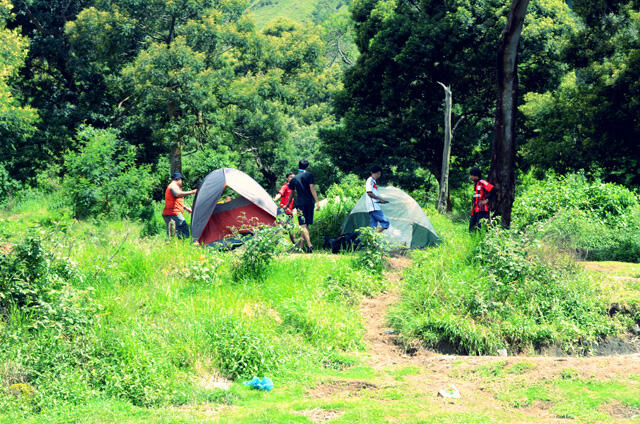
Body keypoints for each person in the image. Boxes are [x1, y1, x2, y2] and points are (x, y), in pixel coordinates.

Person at [288, 160, 320, 252]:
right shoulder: (309, 175)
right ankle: (304, 246)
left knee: (303, 225)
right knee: (306, 225)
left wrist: (287, 204)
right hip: (310, 202)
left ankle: (306, 245)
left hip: (300, 204)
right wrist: (317, 201)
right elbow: (312, 188)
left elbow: (292, 194)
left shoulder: (294, 178)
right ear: (307, 167)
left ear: (299, 166)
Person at [162, 172, 197, 239]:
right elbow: (177, 194)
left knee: (171, 233)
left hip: (169, 213)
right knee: (184, 231)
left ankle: (170, 247)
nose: (182, 182)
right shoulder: (173, 186)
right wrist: (193, 192)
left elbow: (174, 201)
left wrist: (185, 208)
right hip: (174, 214)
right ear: (178, 179)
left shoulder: (172, 186)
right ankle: (183, 246)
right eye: (181, 180)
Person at [469, 166, 495, 232]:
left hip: (482, 210)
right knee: (471, 229)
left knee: (479, 229)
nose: (470, 177)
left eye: (471, 175)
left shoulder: (482, 182)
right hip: (475, 210)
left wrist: (486, 201)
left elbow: (494, 190)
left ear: (476, 175)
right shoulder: (475, 184)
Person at [366, 165, 390, 232]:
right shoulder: (370, 180)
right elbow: (369, 193)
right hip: (373, 206)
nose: (379, 175)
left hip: (374, 205)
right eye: (377, 173)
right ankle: (374, 235)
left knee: (372, 226)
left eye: (379, 174)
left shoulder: (373, 181)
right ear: (372, 173)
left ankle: (369, 240)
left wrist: (380, 201)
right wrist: (380, 199)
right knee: (386, 223)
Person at [274, 172, 296, 243]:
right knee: (281, 229)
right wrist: (274, 199)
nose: (292, 178)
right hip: (283, 211)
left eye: (293, 177)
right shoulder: (285, 187)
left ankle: (295, 245)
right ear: (287, 178)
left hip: (289, 211)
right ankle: (275, 245)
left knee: (291, 229)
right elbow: (279, 194)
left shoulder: (294, 188)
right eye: (290, 177)